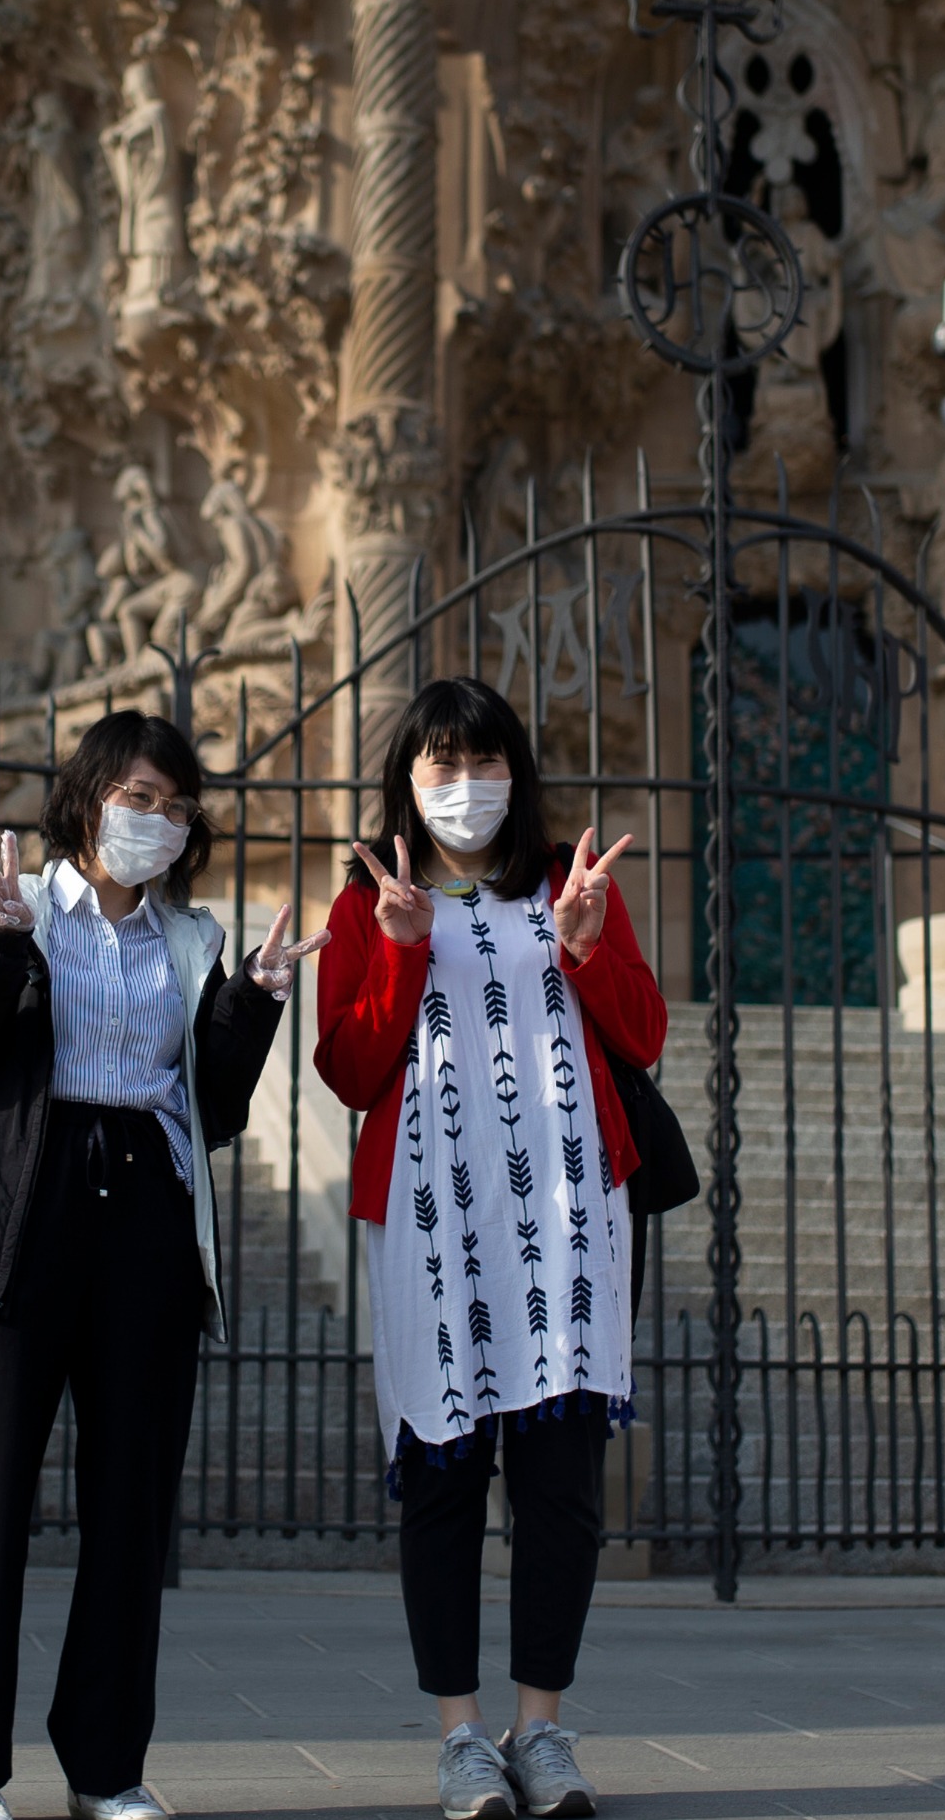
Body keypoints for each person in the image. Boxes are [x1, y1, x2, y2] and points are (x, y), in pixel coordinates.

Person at [0, 710, 325, 1820]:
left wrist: (252, 1003)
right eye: (139, 797)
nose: (157, 820)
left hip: (146, 1205)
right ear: (88, 798)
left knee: (131, 1507)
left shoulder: (192, 939)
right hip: (21, 1203)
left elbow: (214, 1108)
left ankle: (106, 1768)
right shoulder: (16, 906)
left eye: (176, 807)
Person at [317, 677, 662, 1820]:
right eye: (442, 764)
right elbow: (347, 1069)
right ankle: (462, 1737)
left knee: (561, 1487)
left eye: (484, 762)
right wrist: (400, 950)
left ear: (518, 772)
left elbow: (644, 1032)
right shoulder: (369, 899)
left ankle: (541, 1728)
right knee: (444, 1478)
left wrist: (588, 948)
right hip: (433, 1222)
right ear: (406, 781)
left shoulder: (571, 884)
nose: (465, 785)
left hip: (564, 1220)